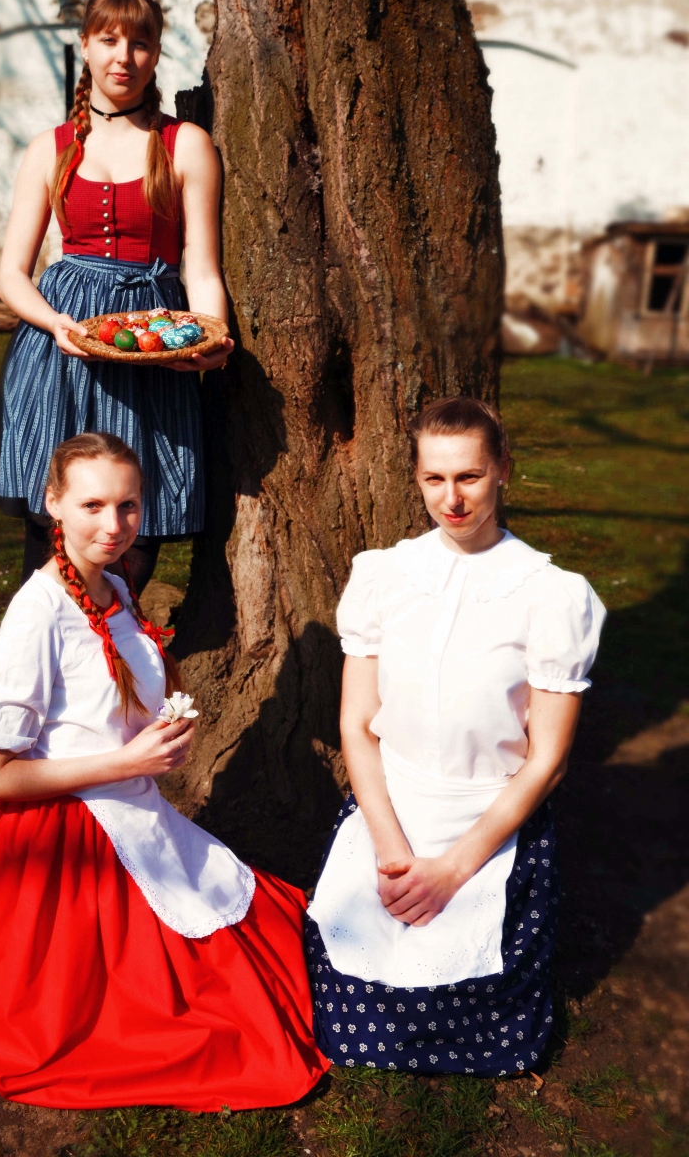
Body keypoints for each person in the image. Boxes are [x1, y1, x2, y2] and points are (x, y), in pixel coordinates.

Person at [0, 433, 328, 1111]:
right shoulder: (39, 614)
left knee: (267, 939)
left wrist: (155, 738)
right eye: (92, 505)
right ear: (53, 504)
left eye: (128, 506)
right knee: (181, 1007)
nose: (113, 525)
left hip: (133, 806)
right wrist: (128, 761)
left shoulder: (114, 584)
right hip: (67, 832)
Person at [304, 396, 606, 1077]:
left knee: (484, 1015)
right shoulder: (384, 577)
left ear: (503, 470)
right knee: (354, 999)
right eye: (434, 478)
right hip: (391, 807)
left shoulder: (551, 595)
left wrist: (452, 871)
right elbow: (355, 724)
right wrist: (391, 850)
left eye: (469, 476)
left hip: (488, 819)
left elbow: (548, 761)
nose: (453, 499)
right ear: (416, 477)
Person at [0, 0, 233, 592]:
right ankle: (44, 643)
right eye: (109, 40)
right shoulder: (51, 148)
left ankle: (111, 641)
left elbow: (202, 267)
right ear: (86, 46)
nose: (124, 57)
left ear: (156, 53)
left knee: (134, 530)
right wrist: (56, 325)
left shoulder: (185, 144)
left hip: (152, 348)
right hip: (62, 352)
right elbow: (11, 274)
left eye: (140, 43)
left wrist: (211, 338)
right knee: (58, 520)